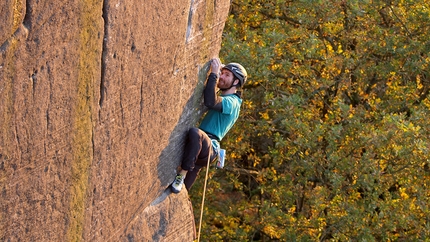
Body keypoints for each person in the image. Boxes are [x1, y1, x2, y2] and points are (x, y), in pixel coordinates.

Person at [170, 58, 247, 193]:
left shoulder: (233, 102)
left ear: (236, 82)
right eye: (222, 73)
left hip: (209, 146)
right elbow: (211, 94)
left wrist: (214, 74)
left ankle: (181, 176)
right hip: (198, 149)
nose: (222, 77)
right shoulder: (226, 97)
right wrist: (220, 74)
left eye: (227, 75)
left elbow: (211, 102)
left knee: (195, 133)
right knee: (181, 194)